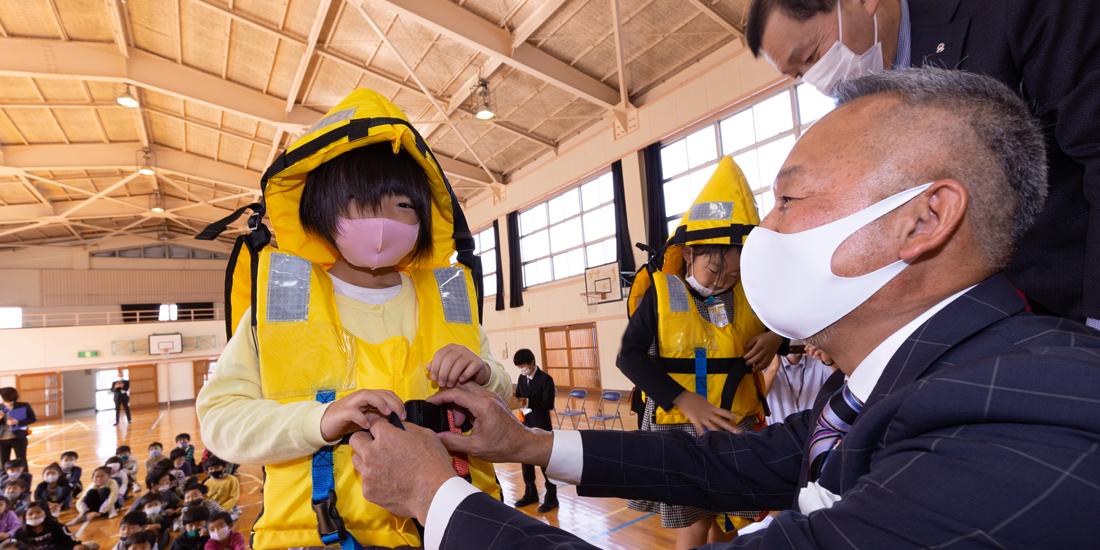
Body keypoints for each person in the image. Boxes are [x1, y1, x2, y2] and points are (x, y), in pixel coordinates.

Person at [341, 68, 1100, 549]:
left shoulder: (1021, 424)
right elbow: (741, 457)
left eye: (790, 199)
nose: (759, 236)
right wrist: (530, 447)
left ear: (923, 220)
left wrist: (432, 495)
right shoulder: (923, 379)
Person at [195, 88, 511, 550]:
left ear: (426, 216)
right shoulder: (281, 305)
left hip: (454, 528)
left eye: (402, 205)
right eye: (358, 204)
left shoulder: (449, 301)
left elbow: (502, 395)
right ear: (319, 213)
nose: (382, 222)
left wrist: (485, 375)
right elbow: (221, 421)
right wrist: (318, 420)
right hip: (312, 536)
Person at [744, 0, 1100, 330]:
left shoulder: (1006, 13)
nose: (817, 80)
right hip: (994, 327)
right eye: (799, 75)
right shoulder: (859, 112)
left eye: (811, 55)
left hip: (1077, 285)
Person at [618, 155, 785, 547]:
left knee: (724, 520)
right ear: (690, 254)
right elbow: (629, 356)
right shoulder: (661, 294)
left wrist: (776, 336)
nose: (723, 280)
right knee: (692, 525)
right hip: (678, 427)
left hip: (734, 423)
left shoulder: (750, 294)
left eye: (734, 274)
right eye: (714, 272)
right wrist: (684, 400)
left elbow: (796, 321)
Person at [509, 349, 557, 513]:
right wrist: (514, 399)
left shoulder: (546, 379)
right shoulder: (522, 378)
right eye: (519, 366)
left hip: (541, 425)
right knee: (526, 461)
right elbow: (519, 395)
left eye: (523, 365)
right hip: (526, 424)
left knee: (545, 464)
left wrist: (528, 402)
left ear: (531, 363)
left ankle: (552, 498)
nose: (521, 369)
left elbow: (548, 404)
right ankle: (531, 494)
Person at [762, 344, 835, 423]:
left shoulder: (819, 358)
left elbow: (843, 385)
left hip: (816, 429)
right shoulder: (766, 362)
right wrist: (773, 368)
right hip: (778, 431)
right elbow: (758, 397)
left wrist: (830, 361)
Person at [14, 501, 97, 550]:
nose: (34, 516)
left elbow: (68, 538)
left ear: (46, 514)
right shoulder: (20, 532)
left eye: (38, 512)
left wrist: (76, 545)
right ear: (25, 517)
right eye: (30, 514)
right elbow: (12, 545)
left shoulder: (55, 526)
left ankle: (86, 546)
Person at [0, 390, 34, 465]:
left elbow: (32, 418)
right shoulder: (0, 407)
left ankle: (25, 476)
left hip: (18, 438)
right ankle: (4, 477)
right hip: (2, 439)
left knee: (22, 460)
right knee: (3, 462)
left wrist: (17, 422)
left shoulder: (23, 405)